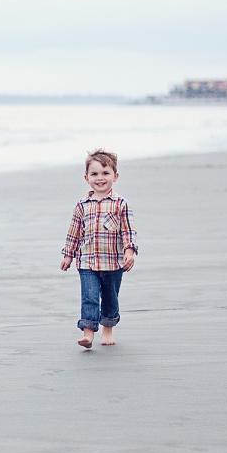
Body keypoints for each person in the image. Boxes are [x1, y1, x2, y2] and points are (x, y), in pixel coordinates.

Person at [60, 149, 138, 348]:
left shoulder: (121, 204)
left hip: (113, 263)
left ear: (115, 176)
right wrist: (68, 255)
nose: (100, 178)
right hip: (87, 262)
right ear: (87, 178)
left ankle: (108, 329)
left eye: (105, 173)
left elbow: (128, 231)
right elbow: (74, 233)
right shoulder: (81, 205)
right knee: (90, 297)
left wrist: (129, 251)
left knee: (110, 299)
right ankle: (88, 333)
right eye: (94, 174)